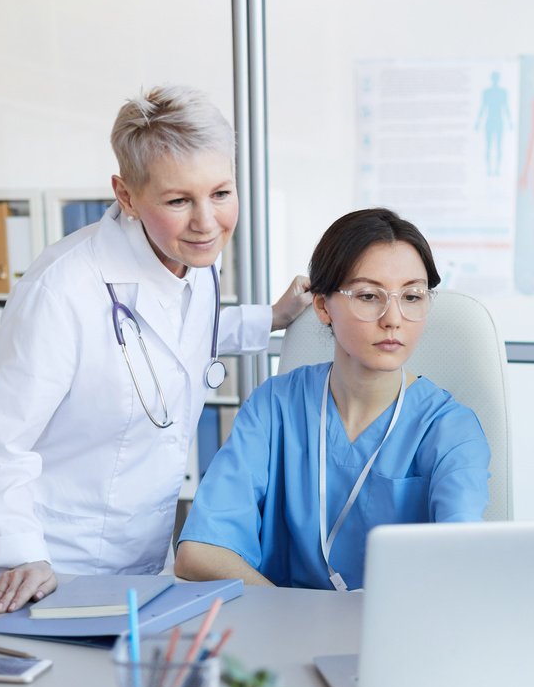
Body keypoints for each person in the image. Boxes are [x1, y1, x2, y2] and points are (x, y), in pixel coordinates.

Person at [0, 85, 310, 614]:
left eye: (221, 193)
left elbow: (172, 331)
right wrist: (22, 554)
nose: (206, 222)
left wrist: (269, 319)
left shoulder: (191, 260)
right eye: (179, 200)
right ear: (127, 195)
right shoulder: (63, 289)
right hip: (50, 570)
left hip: (148, 565)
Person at [175, 207, 490, 590]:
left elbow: (464, 557)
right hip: (279, 638)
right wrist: (295, 619)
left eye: (411, 296)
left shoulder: (450, 428)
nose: (393, 318)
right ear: (324, 307)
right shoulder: (274, 408)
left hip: (398, 636)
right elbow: (199, 552)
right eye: (369, 295)